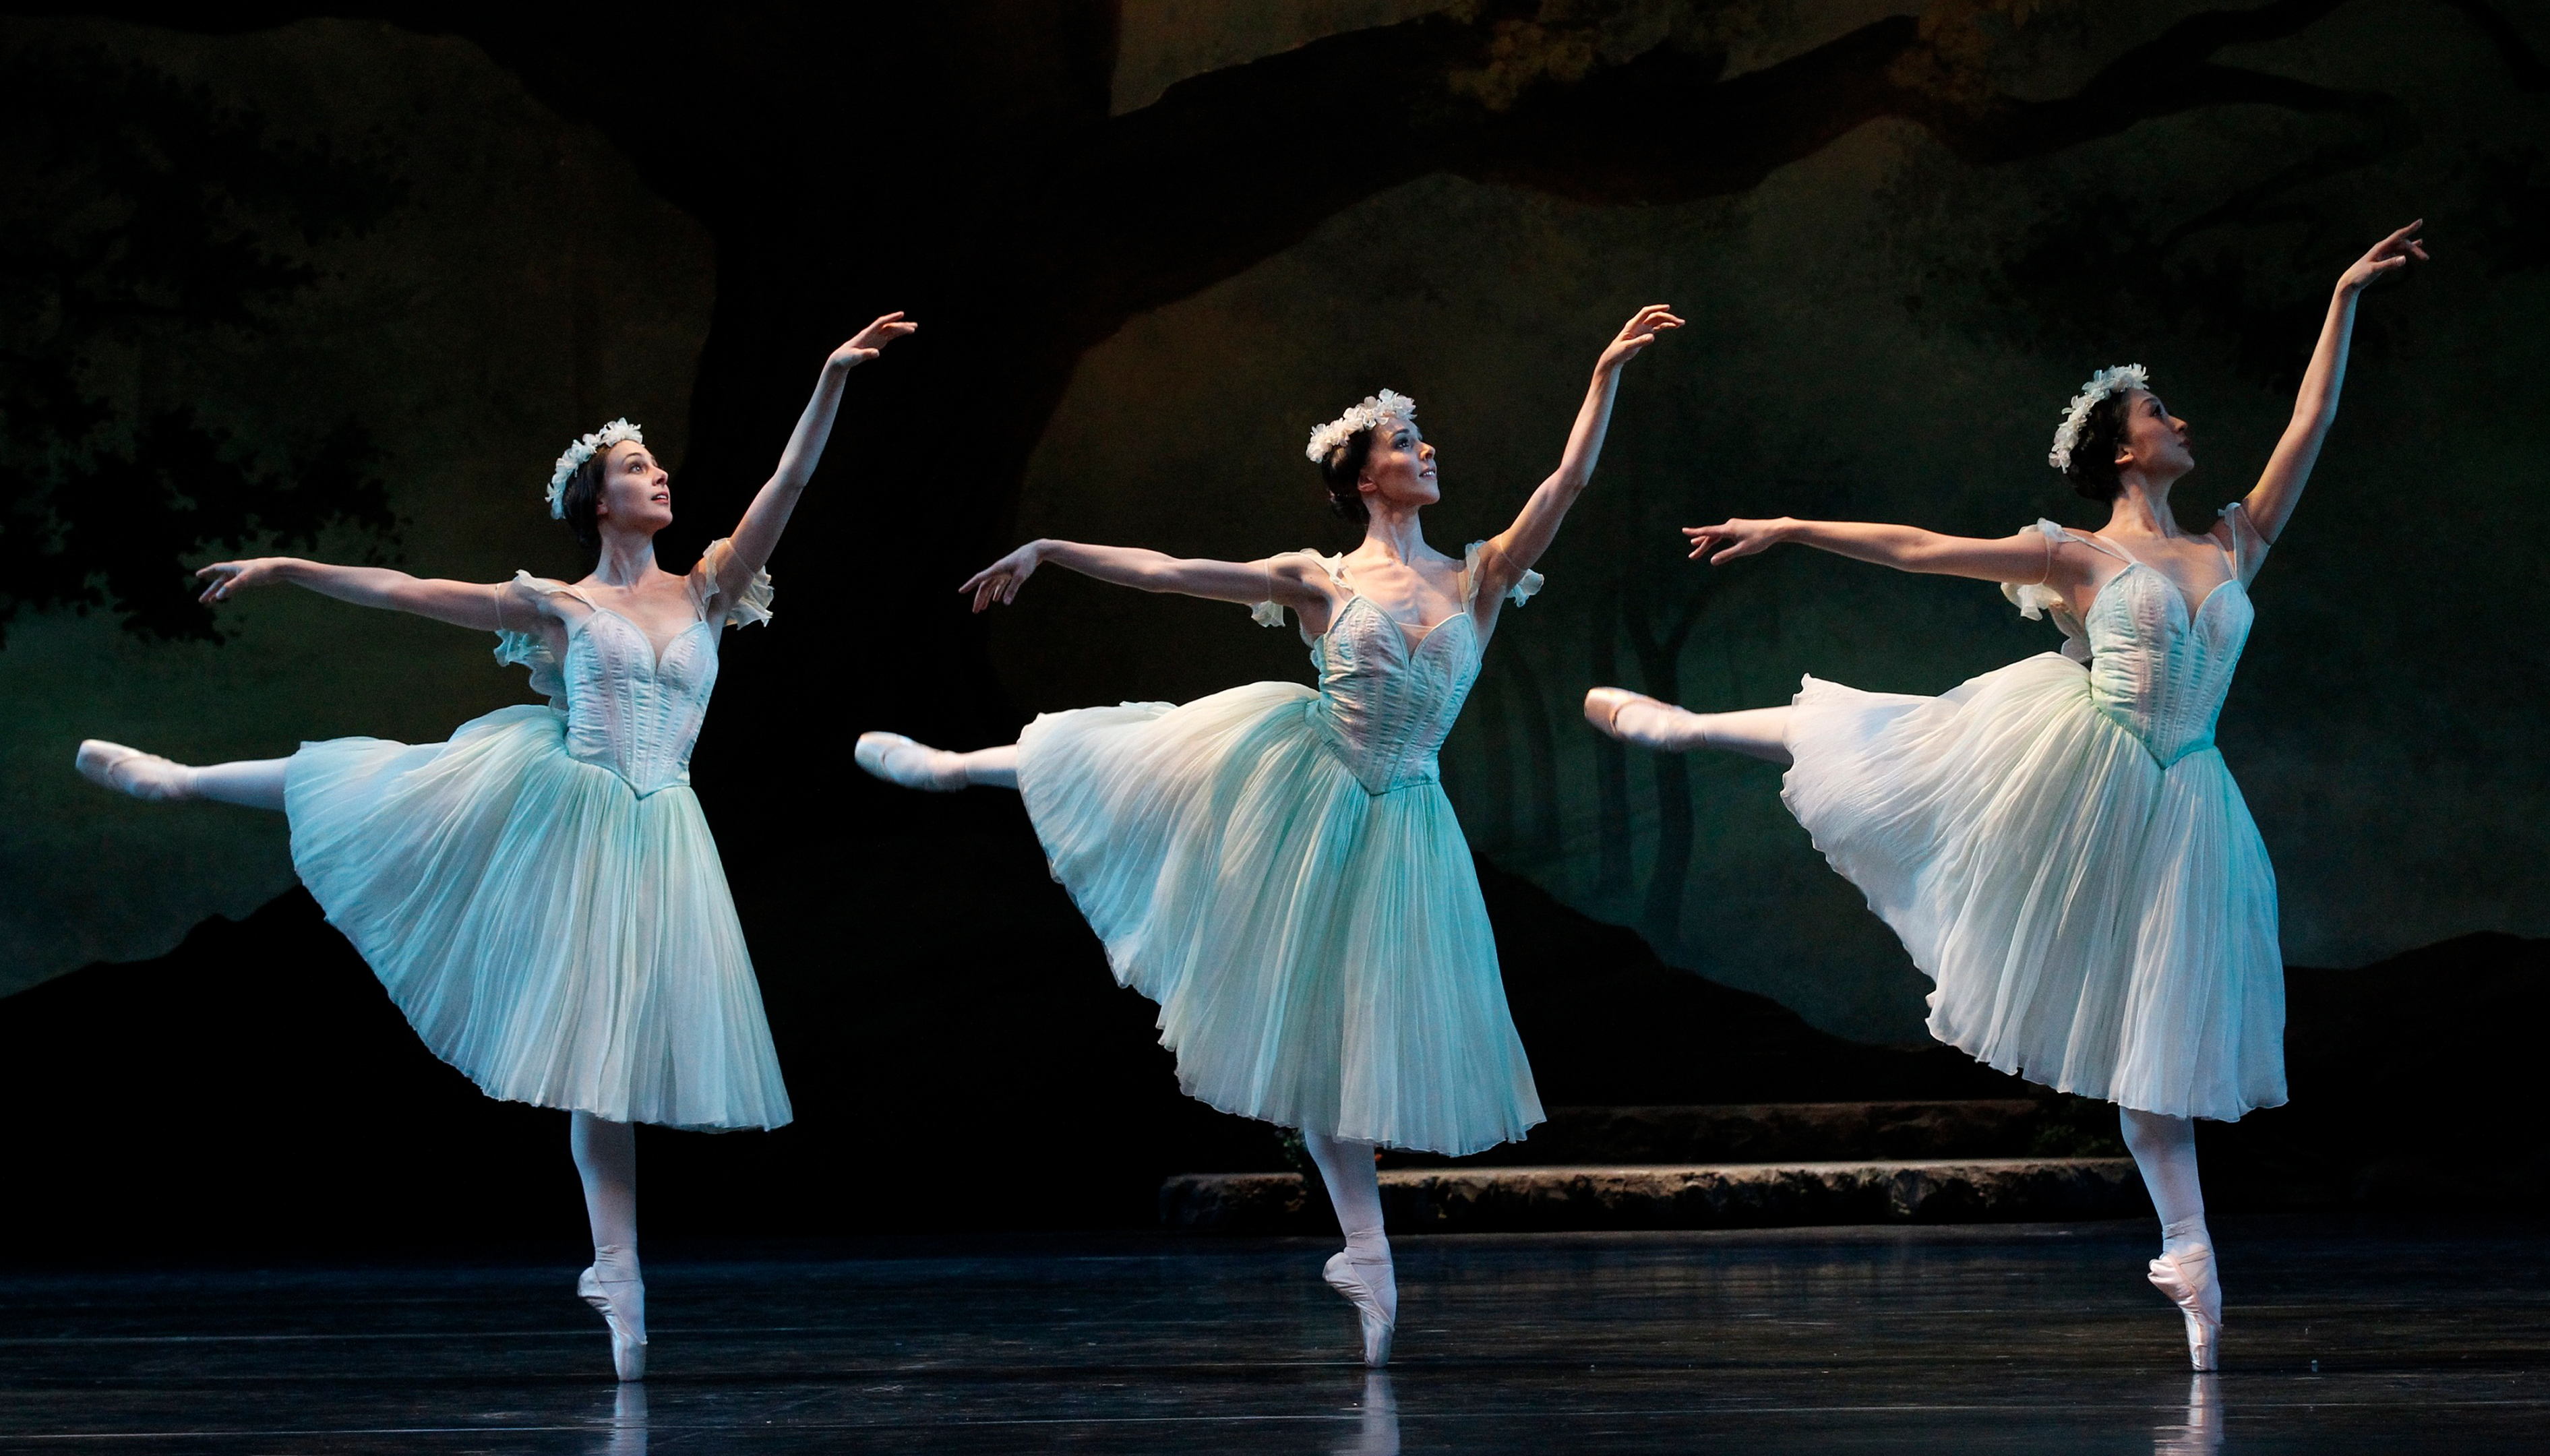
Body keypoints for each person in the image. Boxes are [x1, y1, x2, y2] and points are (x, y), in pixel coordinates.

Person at [1585, 224, 2427, 1370]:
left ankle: (2190, 1254)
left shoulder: (2234, 542)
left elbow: (2310, 424)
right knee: (1893, 742)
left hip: (2190, 799)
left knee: (2158, 1028)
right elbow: (1920, 549)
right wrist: (1791, 527)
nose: (2181, 420)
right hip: (2089, 767)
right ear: (2123, 450)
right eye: (2159, 411)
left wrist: (2341, 298)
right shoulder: (2077, 556)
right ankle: (1686, 727)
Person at [72, 312, 917, 1381]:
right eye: (637, 466)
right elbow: (408, 593)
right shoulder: (558, 606)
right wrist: (288, 565)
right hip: (567, 811)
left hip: (662, 834)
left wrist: (831, 376)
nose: (659, 475)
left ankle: (618, 1277)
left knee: (608, 1068)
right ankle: (180, 780)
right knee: (386, 779)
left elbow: (789, 482)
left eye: (657, 464)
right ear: (598, 500)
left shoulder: (710, 584)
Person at [855, 306, 1682, 1366]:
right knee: (1141, 759)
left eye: (1423, 440)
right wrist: (1050, 546)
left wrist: (1603, 374)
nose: (1428, 451)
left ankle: (1367, 1256)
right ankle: (961, 766)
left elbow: (1565, 483)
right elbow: (1170, 572)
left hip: (1407, 824)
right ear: (1363, 477)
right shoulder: (1318, 579)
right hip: (1308, 786)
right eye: (1406, 443)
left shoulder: (1477, 575)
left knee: (1346, 1043)